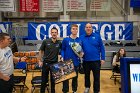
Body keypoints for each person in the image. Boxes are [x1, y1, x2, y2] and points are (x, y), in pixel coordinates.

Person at [80, 23, 105, 93]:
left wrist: (103, 58)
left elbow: (102, 48)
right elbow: (79, 48)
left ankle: (96, 90)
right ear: (85, 28)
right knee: (86, 76)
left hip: (96, 61)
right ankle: (87, 87)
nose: (88, 28)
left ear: (92, 28)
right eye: (87, 27)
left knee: (96, 77)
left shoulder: (97, 37)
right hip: (86, 61)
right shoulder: (81, 37)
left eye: (89, 27)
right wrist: (81, 52)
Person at [61, 24, 83, 93]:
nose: (74, 30)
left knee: (75, 78)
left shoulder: (79, 40)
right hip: (66, 62)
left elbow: (81, 51)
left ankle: (74, 90)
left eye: (76, 29)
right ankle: (65, 91)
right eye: (73, 29)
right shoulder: (66, 40)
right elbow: (62, 49)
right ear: (71, 30)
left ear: (77, 30)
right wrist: (62, 56)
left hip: (76, 62)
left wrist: (82, 54)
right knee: (65, 79)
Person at [38, 27, 61, 93]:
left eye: (55, 32)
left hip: (54, 64)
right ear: (50, 33)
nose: (54, 34)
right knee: (44, 80)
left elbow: (61, 52)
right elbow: (41, 51)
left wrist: (61, 58)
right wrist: (40, 60)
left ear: (57, 34)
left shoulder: (59, 43)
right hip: (46, 63)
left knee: (53, 81)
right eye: (53, 32)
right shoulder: (45, 41)